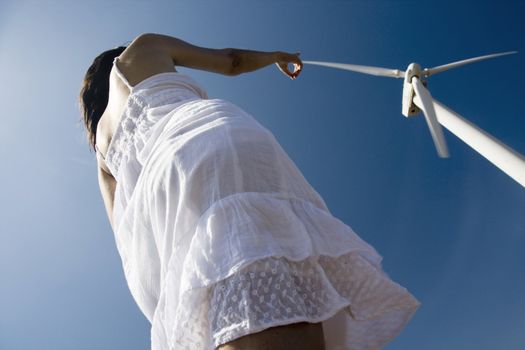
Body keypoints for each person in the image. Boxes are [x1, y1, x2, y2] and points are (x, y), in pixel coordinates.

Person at [79, 33, 419, 350]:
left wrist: (168, 313)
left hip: (163, 198)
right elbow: (231, 61)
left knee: (216, 288)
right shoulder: (142, 49)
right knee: (272, 259)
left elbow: (129, 241)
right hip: (212, 140)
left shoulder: (103, 155)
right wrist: (275, 57)